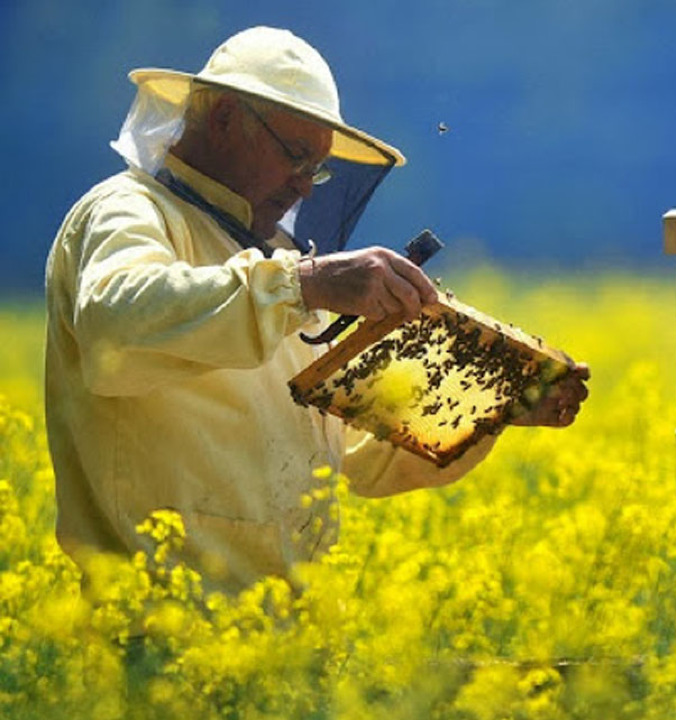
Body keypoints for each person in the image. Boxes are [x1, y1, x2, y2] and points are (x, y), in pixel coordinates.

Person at [44, 26, 588, 594]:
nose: (304, 189)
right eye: (297, 157)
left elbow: (341, 450)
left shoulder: (268, 263)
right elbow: (115, 330)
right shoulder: (126, 210)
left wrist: (492, 405)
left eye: (317, 170)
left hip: (285, 639)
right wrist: (304, 284)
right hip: (153, 635)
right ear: (226, 118)